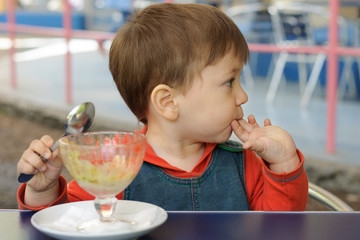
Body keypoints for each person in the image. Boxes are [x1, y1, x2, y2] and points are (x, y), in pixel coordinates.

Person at [17, 3, 308, 211]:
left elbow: (279, 226)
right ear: (168, 103)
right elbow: (68, 226)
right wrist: (42, 191)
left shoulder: (246, 163)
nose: (242, 96)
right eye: (230, 81)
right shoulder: (113, 168)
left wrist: (283, 163)